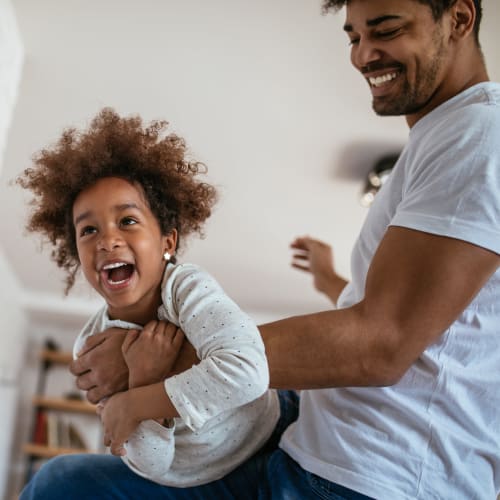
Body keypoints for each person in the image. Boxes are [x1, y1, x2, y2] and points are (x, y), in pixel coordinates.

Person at [22, 0, 500, 498]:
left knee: (64, 488)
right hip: (314, 438)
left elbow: (385, 342)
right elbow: (421, 318)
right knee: (62, 482)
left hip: (371, 477)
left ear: (460, 19)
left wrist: (147, 362)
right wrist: (333, 281)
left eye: (385, 30)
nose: (363, 55)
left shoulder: (480, 134)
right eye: (353, 37)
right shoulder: (442, 138)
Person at [18, 108, 298, 497]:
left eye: (127, 221)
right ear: (76, 254)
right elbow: (151, 464)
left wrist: (135, 404)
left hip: (270, 435)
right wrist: (146, 379)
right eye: (88, 230)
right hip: (197, 480)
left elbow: (249, 371)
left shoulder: (185, 288)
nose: (107, 239)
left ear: (168, 242)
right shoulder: (92, 348)